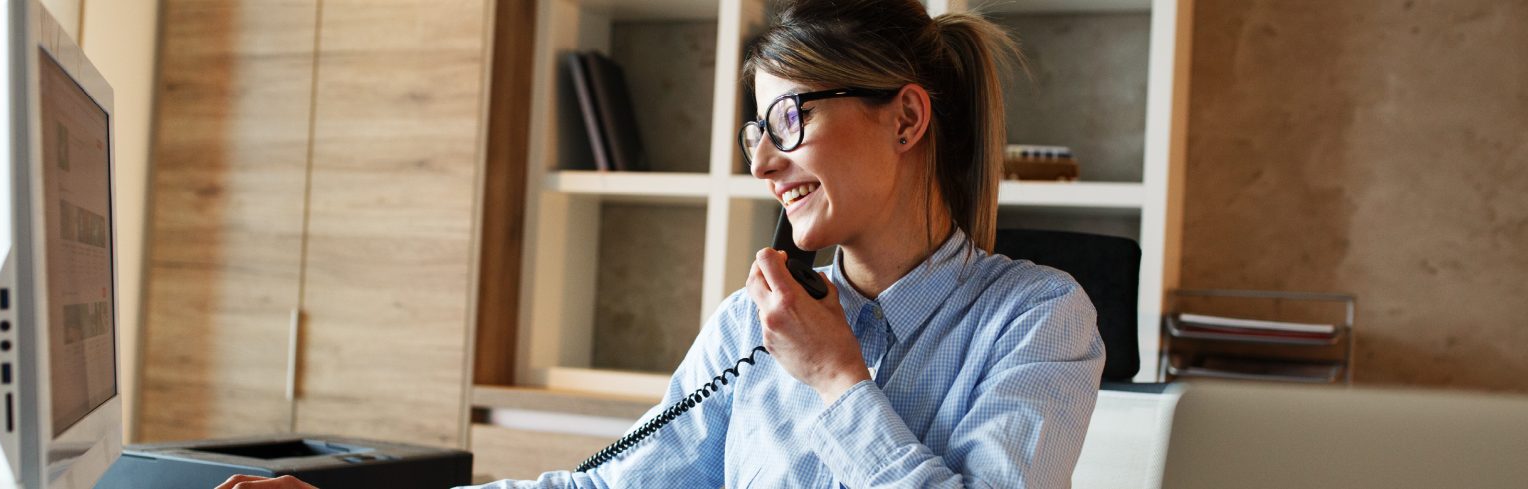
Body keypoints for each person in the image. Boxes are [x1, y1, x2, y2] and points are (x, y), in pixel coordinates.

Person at [221, 1, 1103, 488]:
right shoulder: (751, 326)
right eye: (754, 132)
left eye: (788, 120)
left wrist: (837, 379)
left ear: (906, 118)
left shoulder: (1039, 318)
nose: (761, 162)